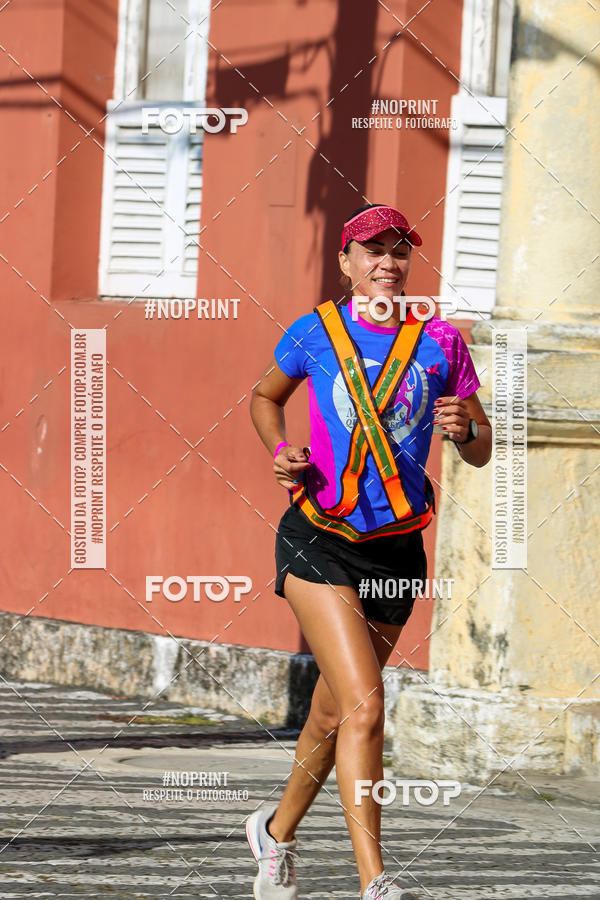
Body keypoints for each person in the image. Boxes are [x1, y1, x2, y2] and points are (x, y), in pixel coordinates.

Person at [246, 203, 492, 899]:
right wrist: (280, 449)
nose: (388, 262)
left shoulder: (441, 341)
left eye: (399, 251)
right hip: (318, 540)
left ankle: (275, 834)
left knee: (333, 714)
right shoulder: (316, 332)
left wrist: (464, 431)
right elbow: (265, 397)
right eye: (372, 250)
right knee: (365, 709)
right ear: (346, 262)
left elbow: (481, 448)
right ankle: (376, 882)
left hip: (397, 555)